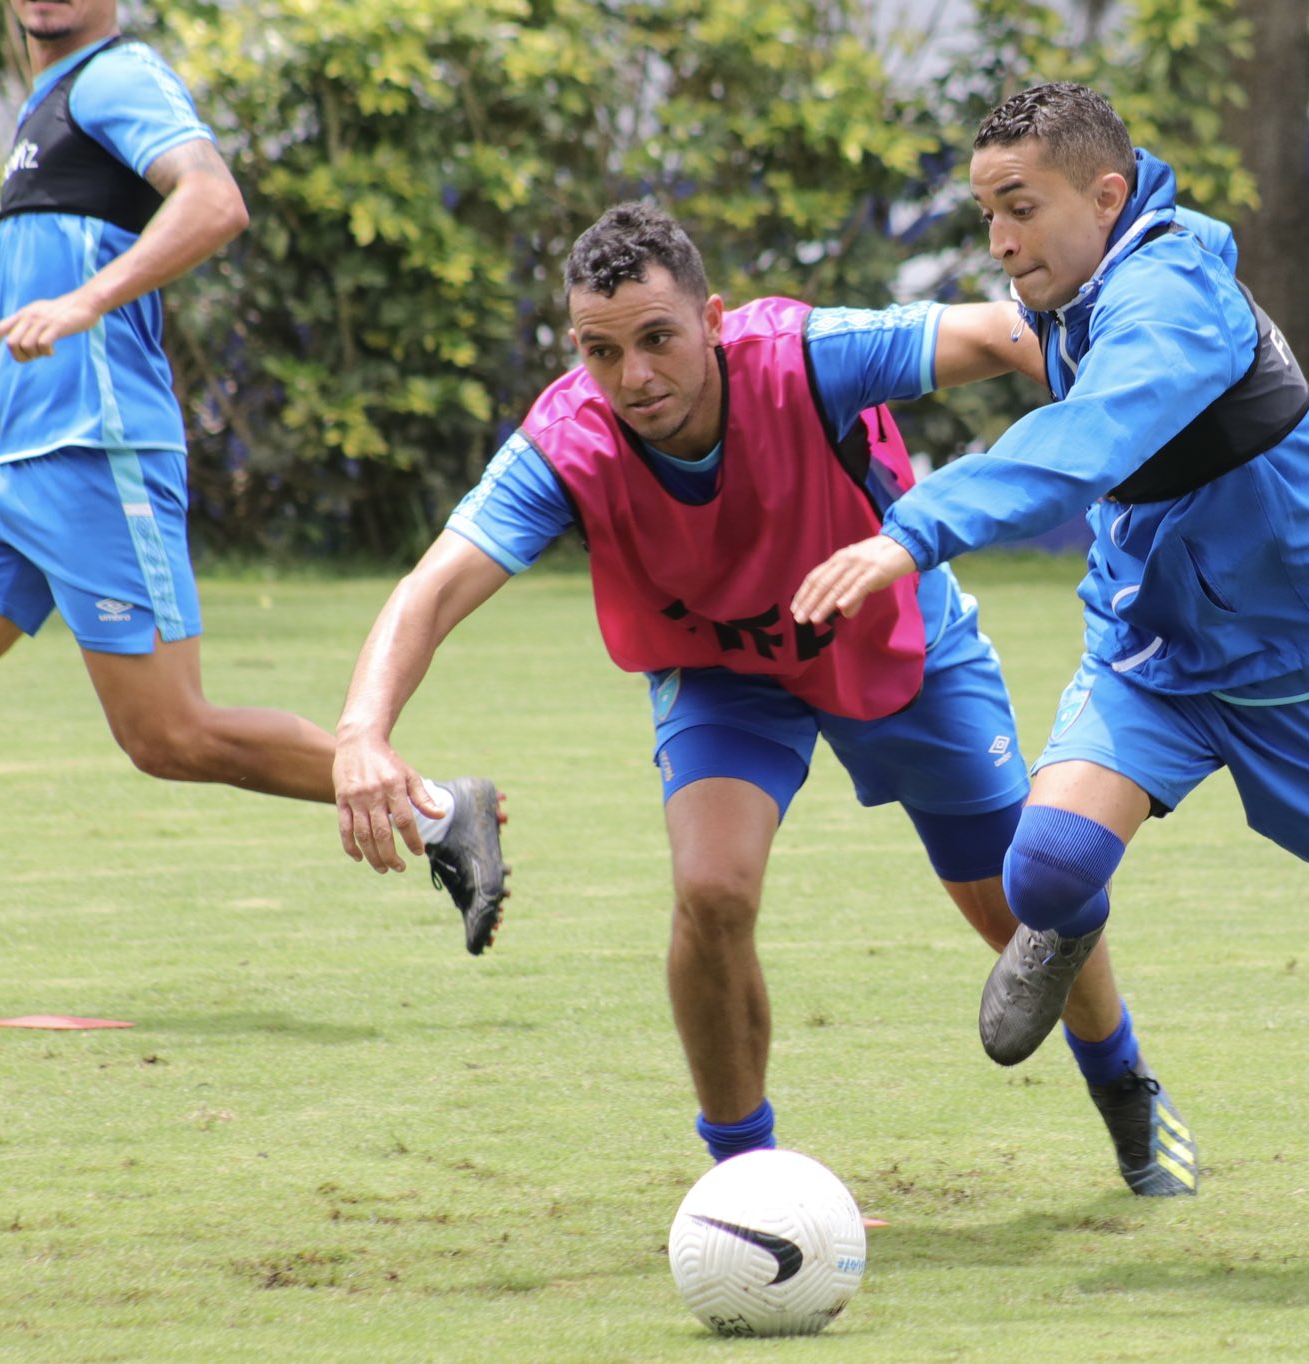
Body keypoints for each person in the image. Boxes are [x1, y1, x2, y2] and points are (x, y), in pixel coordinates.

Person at [793, 82, 1309, 1256]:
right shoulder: (1066, 291)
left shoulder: (1170, 296)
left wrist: (909, 529)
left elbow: (1087, 442)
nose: (1000, 240)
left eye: (1021, 208)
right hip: (1154, 652)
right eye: (986, 215)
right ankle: (1063, 938)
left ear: (1106, 196)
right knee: (1047, 866)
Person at [331, 202, 1198, 1195]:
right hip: (722, 669)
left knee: (1026, 905)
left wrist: (1128, 415)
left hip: (891, 637)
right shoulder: (565, 443)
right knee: (710, 890)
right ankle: (746, 1177)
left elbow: (997, 333)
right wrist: (362, 728)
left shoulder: (805, 356)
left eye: (656, 339)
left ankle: (1122, 1084)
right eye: (601, 351)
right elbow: (432, 587)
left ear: (711, 319)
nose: (634, 377)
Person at [0, 0, 507, 951]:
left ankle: (434, 812)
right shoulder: (41, 105)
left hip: (100, 457)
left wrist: (87, 301)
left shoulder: (117, 77)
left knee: (170, 736)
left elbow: (214, 201)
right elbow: (48, 289)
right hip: (19, 467)